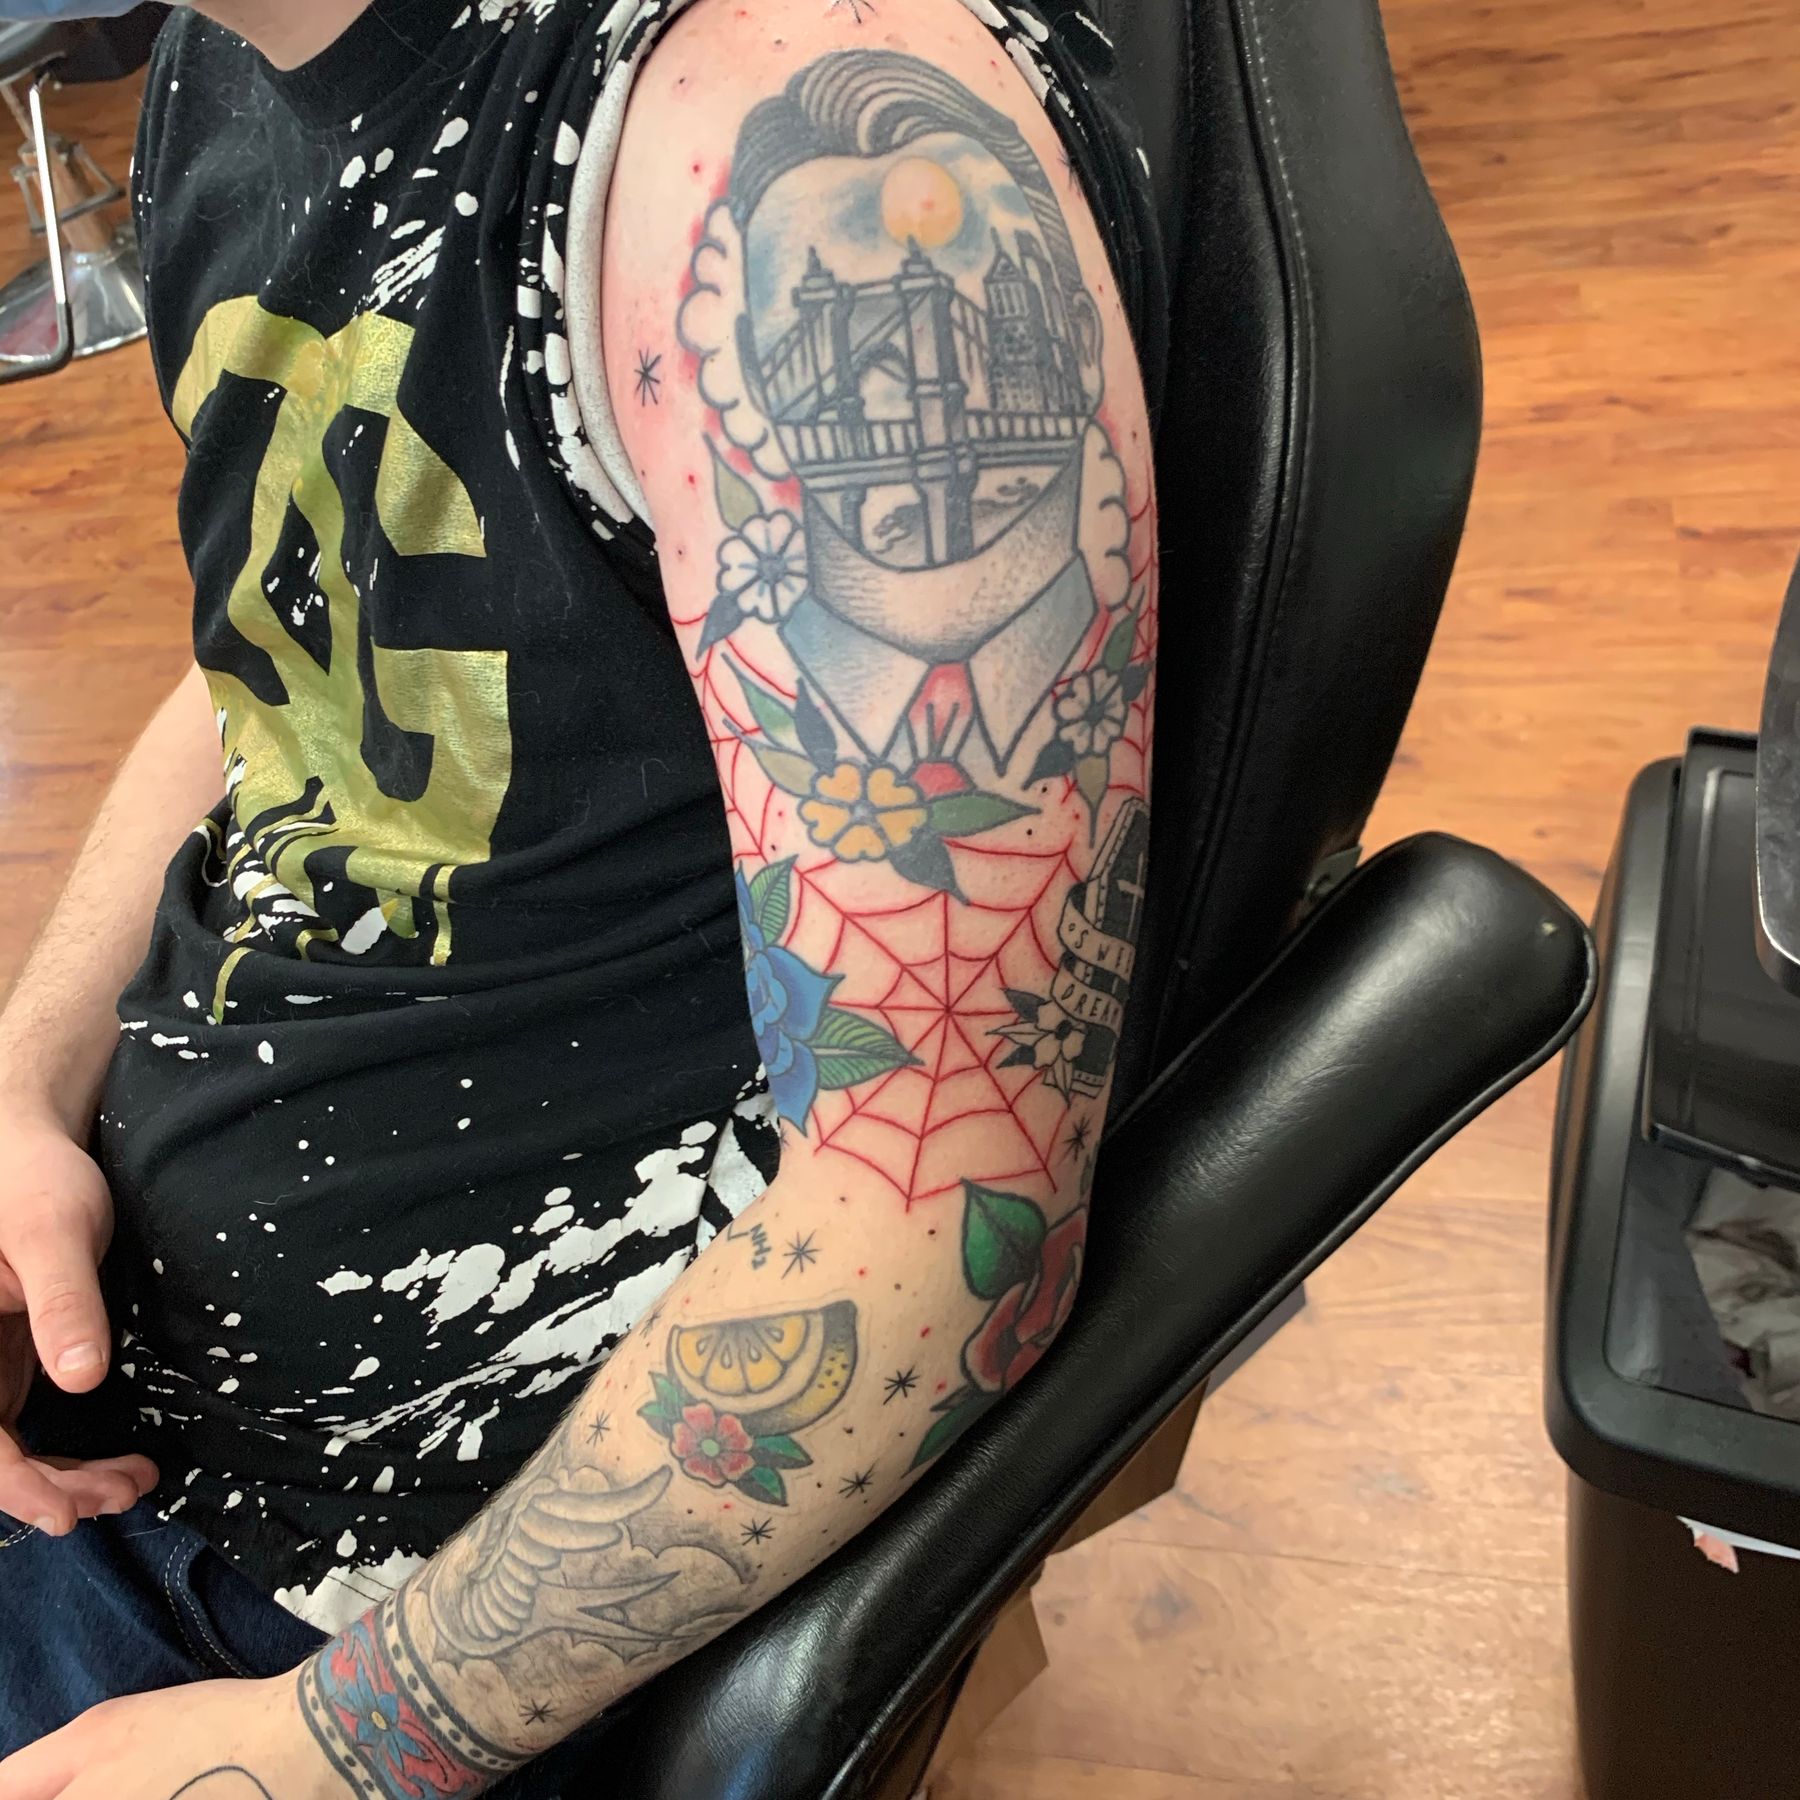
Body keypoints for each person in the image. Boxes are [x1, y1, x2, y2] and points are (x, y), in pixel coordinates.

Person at [0, 0, 1161, 1792]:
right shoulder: (220, 69)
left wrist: (334, 1749)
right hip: (132, 1390)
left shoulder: (772, 141)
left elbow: (947, 1204)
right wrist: (26, 1083)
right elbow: (287, 638)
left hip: (419, 1591)